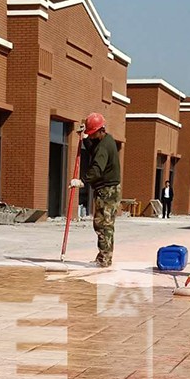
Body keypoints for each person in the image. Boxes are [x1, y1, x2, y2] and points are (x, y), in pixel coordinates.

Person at [70, 112, 121, 267]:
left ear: (100, 130)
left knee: (103, 225)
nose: (91, 136)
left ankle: (104, 259)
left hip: (107, 191)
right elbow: (94, 150)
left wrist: (82, 181)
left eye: (92, 134)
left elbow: (97, 168)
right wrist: (85, 139)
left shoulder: (104, 146)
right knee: (105, 224)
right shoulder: (106, 140)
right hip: (109, 189)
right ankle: (104, 257)